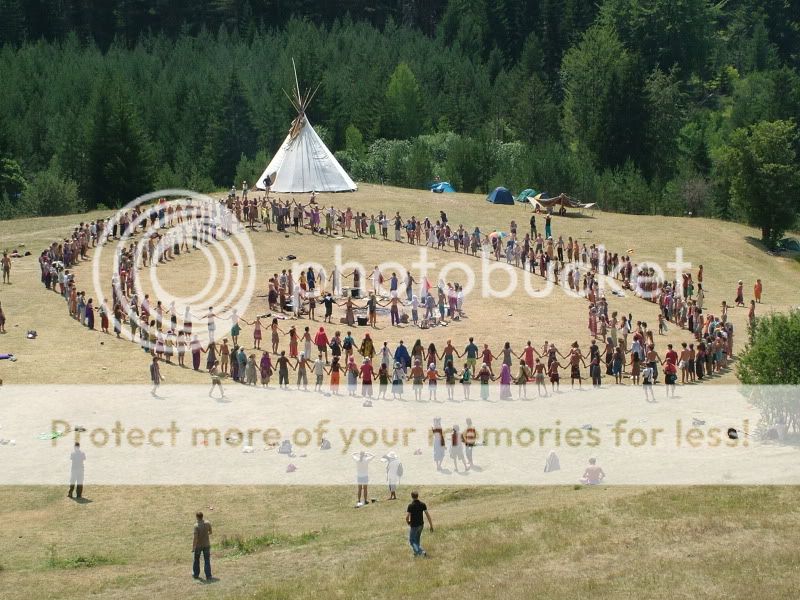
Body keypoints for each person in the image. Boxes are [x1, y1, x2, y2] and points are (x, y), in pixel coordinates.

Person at [406, 490, 433, 557]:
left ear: (411, 496)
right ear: (418, 496)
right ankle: (416, 553)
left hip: (414, 525)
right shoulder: (423, 504)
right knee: (417, 540)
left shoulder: (410, 506)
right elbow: (428, 515)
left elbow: (407, 517)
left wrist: (408, 522)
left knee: (412, 541)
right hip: (421, 525)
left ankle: (421, 552)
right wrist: (431, 525)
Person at [192, 511, 213, 581]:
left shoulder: (196, 526)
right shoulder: (207, 523)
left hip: (198, 545)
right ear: (202, 516)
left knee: (196, 560)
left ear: (197, 517)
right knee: (207, 560)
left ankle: (196, 574)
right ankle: (208, 575)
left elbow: (195, 538)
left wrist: (193, 547)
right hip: (206, 544)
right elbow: (210, 532)